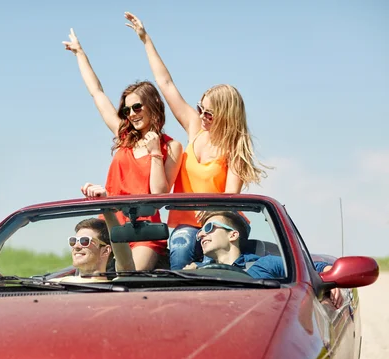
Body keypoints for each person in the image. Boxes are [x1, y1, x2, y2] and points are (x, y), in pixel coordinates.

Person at [124, 12, 269, 270]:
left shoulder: (233, 148)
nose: (201, 116)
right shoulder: (195, 129)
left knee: (190, 245)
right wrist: (145, 40)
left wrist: (211, 215)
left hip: (221, 224)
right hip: (186, 224)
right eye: (200, 108)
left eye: (209, 113)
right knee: (181, 243)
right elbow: (166, 84)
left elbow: (229, 198)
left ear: (225, 115)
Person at [63, 28, 183, 271]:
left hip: (143, 231)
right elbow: (97, 93)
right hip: (108, 224)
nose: (132, 114)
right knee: (85, 277)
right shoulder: (124, 136)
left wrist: (155, 154)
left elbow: (159, 196)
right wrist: (80, 54)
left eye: (137, 107)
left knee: (129, 277)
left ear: (152, 105)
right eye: (127, 110)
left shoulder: (171, 146)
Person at [187, 211, 342, 307]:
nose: (200, 234)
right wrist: (187, 277)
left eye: (208, 228)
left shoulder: (265, 264)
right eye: (199, 231)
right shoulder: (196, 271)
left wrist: (330, 279)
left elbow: (316, 268)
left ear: (233, 235)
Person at [53, 213, 135, 283]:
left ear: (105, 251)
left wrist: (107, 209)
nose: (76, 246)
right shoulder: (55, 285)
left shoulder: (116, 287)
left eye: (84, 241)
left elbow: (126, 263)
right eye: (73, 241)